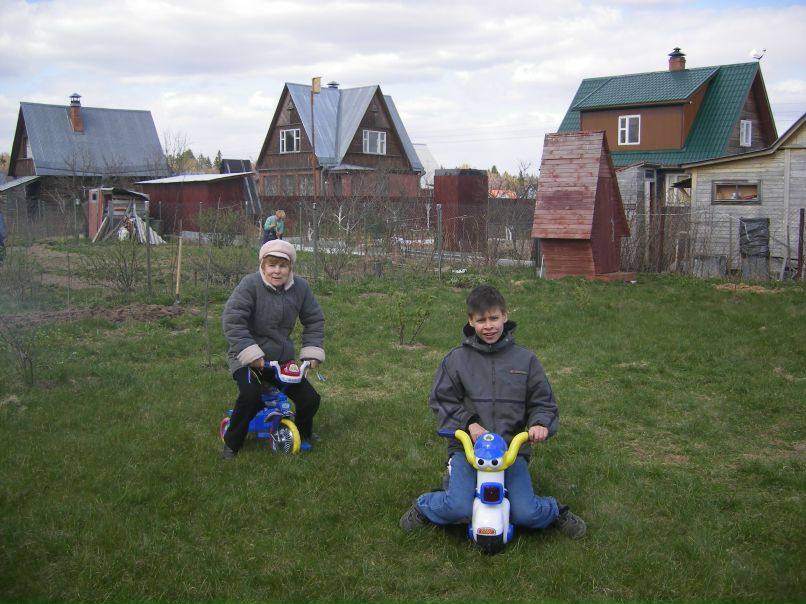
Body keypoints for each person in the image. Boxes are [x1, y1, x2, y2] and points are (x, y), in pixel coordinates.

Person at [399, 285, 586, 539]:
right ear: (470, 321)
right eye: (481, 320)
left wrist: (540, 423)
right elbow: (441, 400)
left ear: (505, 316)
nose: (489, 326)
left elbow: (543, 401)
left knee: (526, 514)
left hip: (510, 450)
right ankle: (425, 505)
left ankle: (555, 511)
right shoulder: (456, 360)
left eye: (494, 318)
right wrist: (470, 425)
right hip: (468, 451)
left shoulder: (525, 360)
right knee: (457, 507)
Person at [221, 239, 325, 459]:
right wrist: (252, 354)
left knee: (310, 399)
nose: (277, 271)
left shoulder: (301, 288)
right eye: (272, 265)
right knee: (251, 398)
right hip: (245, 358)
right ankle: (232, 443)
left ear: (290, 268)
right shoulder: (250, 285)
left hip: (281, 360)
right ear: (263, 265)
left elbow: (314, 319)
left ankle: (303, 432)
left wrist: (312, 351)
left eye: (282, 265)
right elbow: (232, 320)